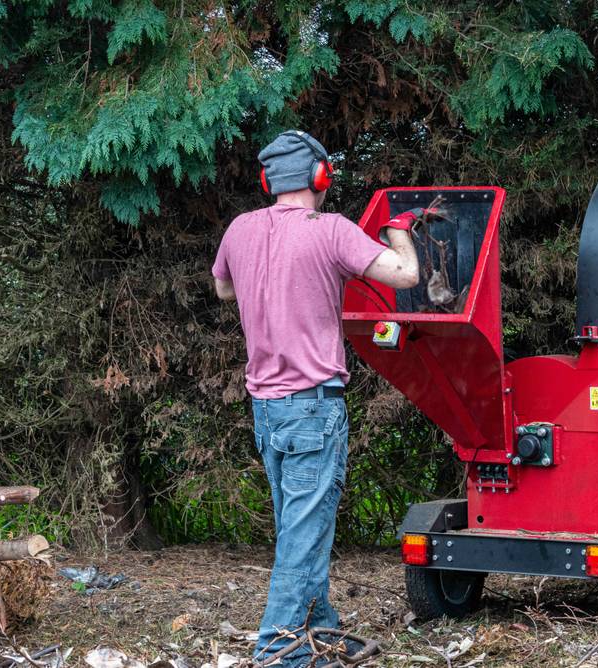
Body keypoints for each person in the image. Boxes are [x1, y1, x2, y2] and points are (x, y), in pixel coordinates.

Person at [211, 130, 425, 666]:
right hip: (312, 407)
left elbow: (223, 289)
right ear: (320, 178)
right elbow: (406, 275)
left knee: (300, 529)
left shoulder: (239, 229)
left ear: (268, 181)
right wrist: (399, 231)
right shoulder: (330, 230)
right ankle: (278, 652)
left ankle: (319, 634)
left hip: (266, 410)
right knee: (302, 539)